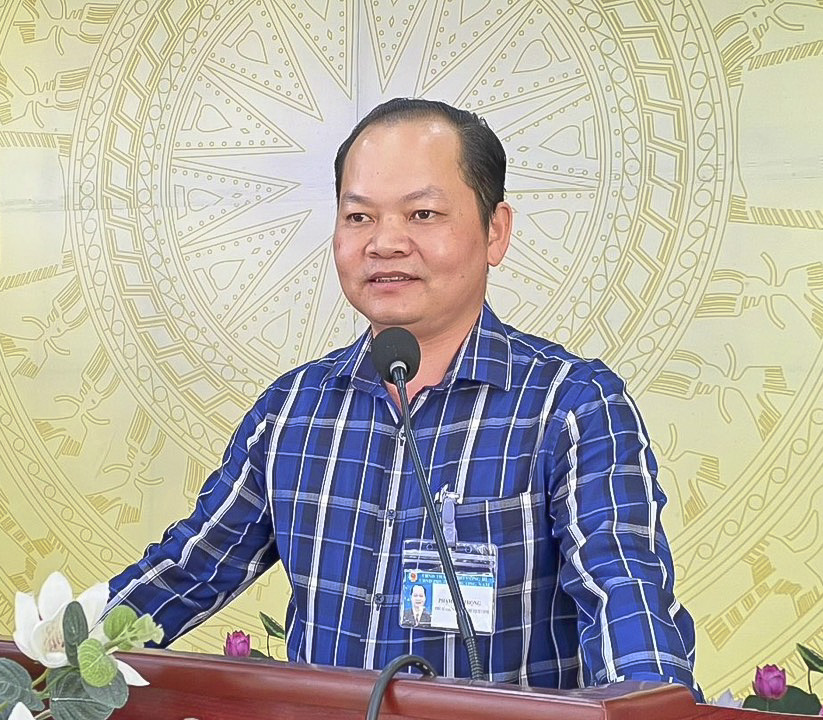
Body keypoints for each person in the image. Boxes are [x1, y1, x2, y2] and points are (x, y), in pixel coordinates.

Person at [108, 97, 699, 695]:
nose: (385, 243)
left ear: (495, 232)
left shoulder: (571, 407)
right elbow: (190, 569)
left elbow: (627, 598)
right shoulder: (293, 410)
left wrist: (649, 706)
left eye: (422, 213)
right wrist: (67, 655)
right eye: (359, 217)